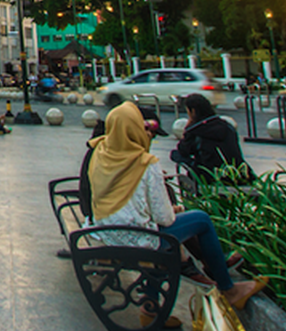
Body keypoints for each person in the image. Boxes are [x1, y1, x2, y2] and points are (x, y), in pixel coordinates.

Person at [88, 101, 265, 311]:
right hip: (134, 239)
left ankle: (151, 307)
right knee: (200, 219)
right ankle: (229, 288)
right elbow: (165, 219)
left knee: (168, 239)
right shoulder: (144, 163)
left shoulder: (100, 151)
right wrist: (173, 210)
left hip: (106, 231)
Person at [171, 94, 253, 184]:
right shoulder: (227, 126)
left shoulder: (196, 130)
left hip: (209, 174)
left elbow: (183, 150)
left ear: (193, 111)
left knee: (175, 154)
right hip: (234, 171)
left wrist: (188, 128)